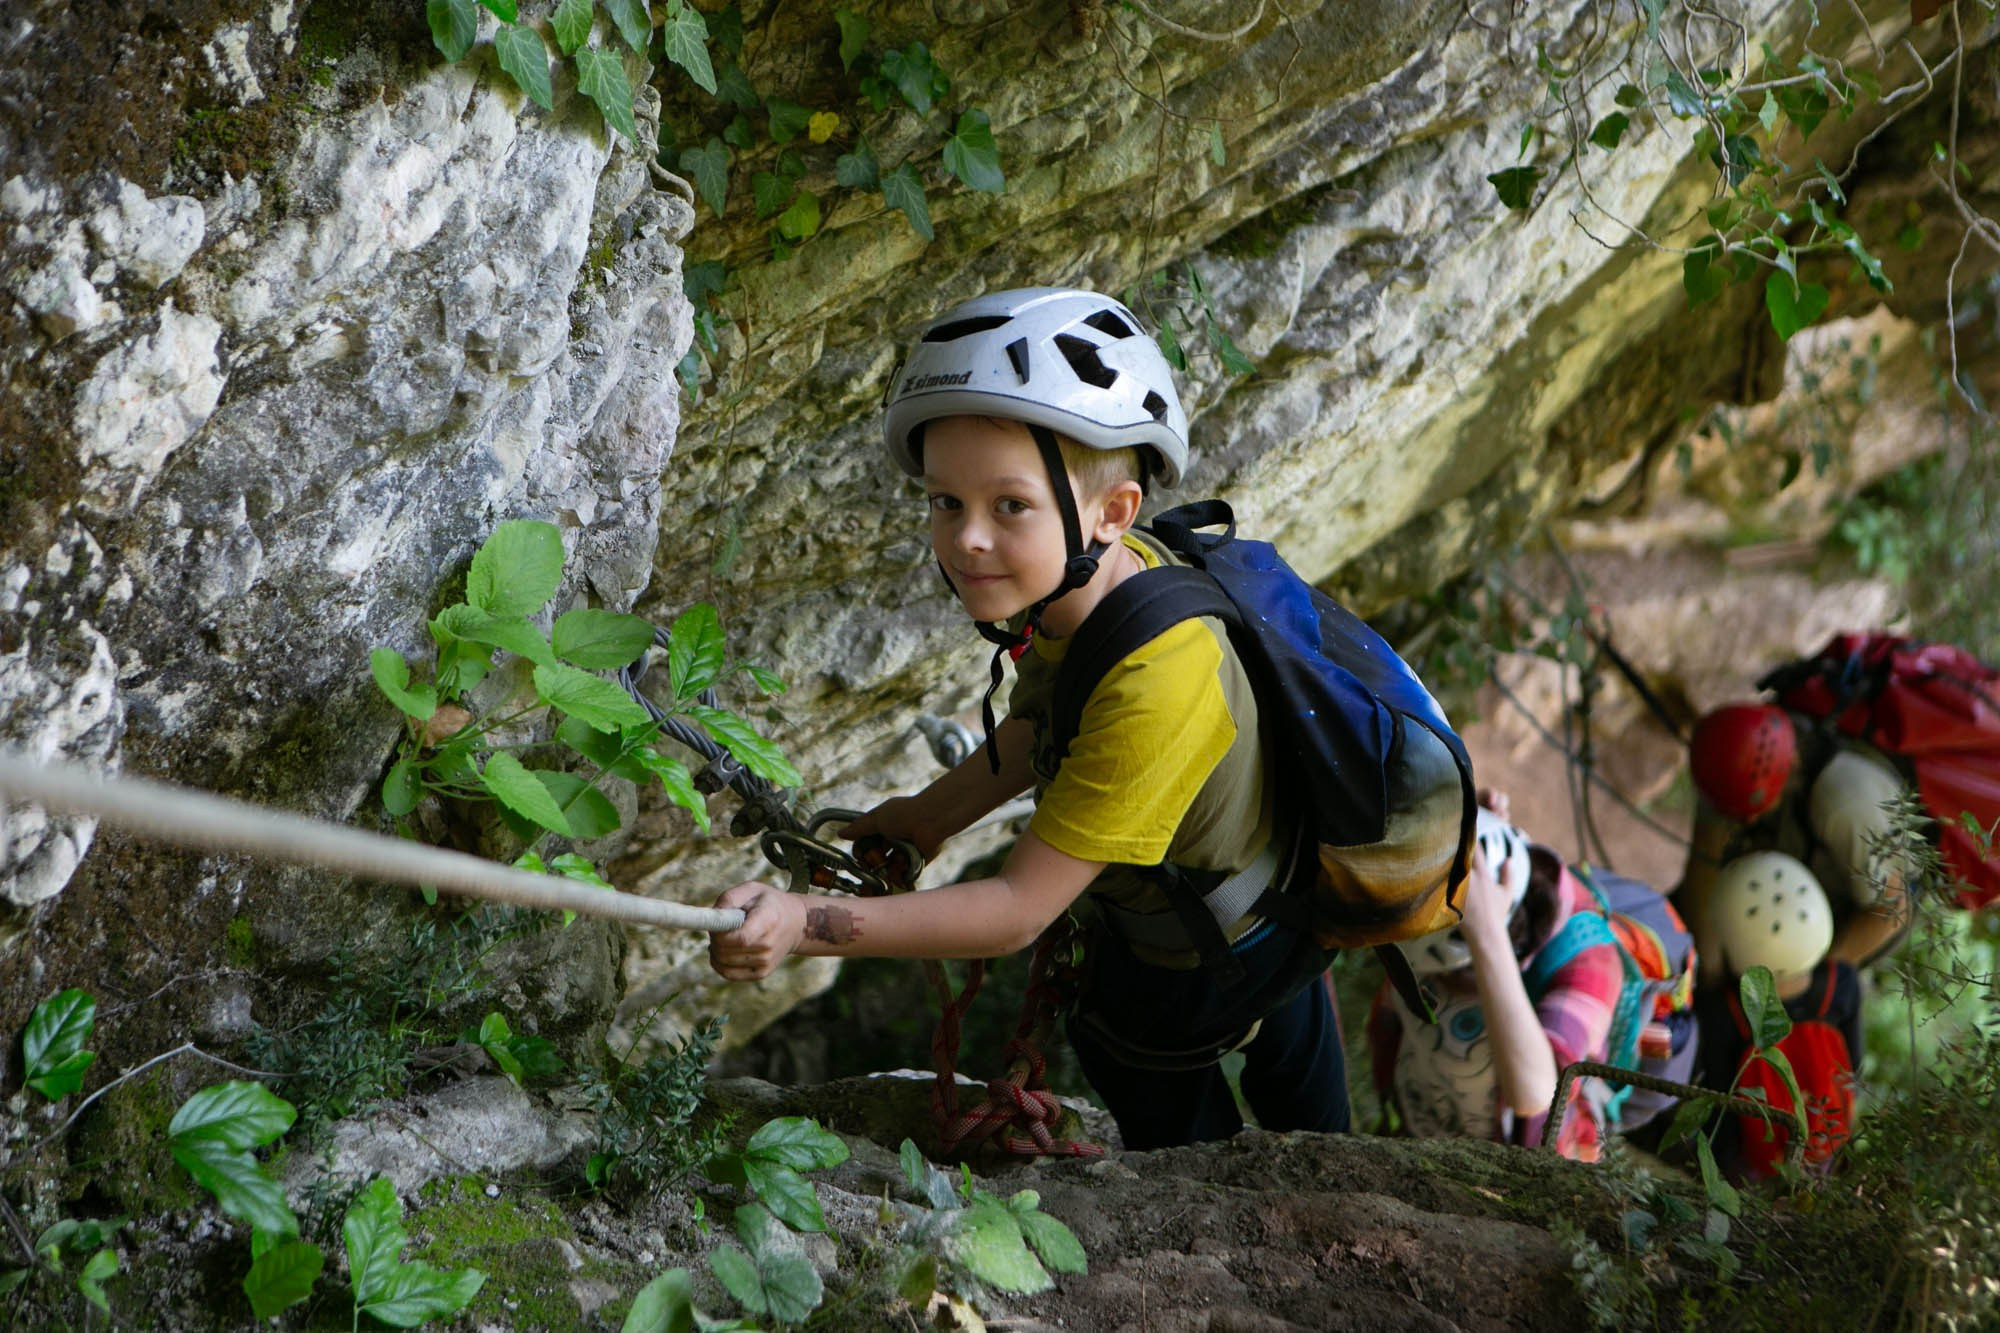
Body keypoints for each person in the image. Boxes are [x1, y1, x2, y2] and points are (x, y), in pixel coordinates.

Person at [706, 286, 1349, 1150]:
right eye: (945, 502)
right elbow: (1044, 732)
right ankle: (1334, 1152)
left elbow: (1016, 909)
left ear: (1112, 512)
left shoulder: (1160, 684)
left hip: (1204, 956)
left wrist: (805, 926)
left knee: (1161, 1098)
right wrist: (924, 820)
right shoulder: (1097, 588)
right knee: (1303, 1064)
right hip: (1261, 899)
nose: (967, 538)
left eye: (1009, 506)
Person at [1367, 798, 1624, 1160]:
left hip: (1509, 1177)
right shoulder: (1437, 921)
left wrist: (1485, 932)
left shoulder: (1591, 959)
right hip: (1421, 1134)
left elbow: (1541, 1098)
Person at [1677, 702, 1916, 987]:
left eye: (1752, 810)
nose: (1749, 819)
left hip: (1856, 905)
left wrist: (1809, 985)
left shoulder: (1845, 805)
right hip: (1787, 863)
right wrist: (1706, 969)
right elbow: (1707, 857)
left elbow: (1890, 912)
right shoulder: (1727, 759)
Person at [1689, 850, 1861, 1179]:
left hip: (1755, 1162)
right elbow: (1853, 1070)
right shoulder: (1842, 985)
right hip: (1822, 1150)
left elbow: (1720, 1110)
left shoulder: (1723, 1011)